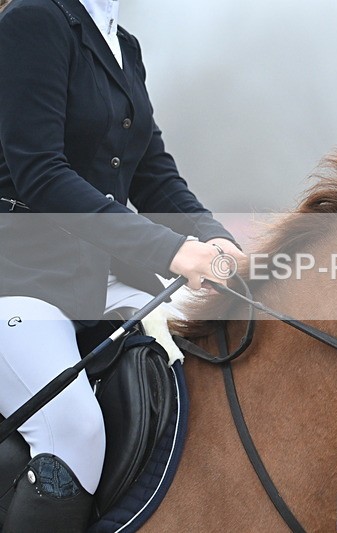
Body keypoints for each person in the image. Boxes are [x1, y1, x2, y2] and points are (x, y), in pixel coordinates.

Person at [0, 0, 247, 530]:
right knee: (74, 432)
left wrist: (216, 239)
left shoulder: (122, 44)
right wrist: (169, 250)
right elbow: (41, 174)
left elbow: (153, 174)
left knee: (209, 367)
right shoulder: (32, 20)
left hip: (100, 278)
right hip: (20, 279)